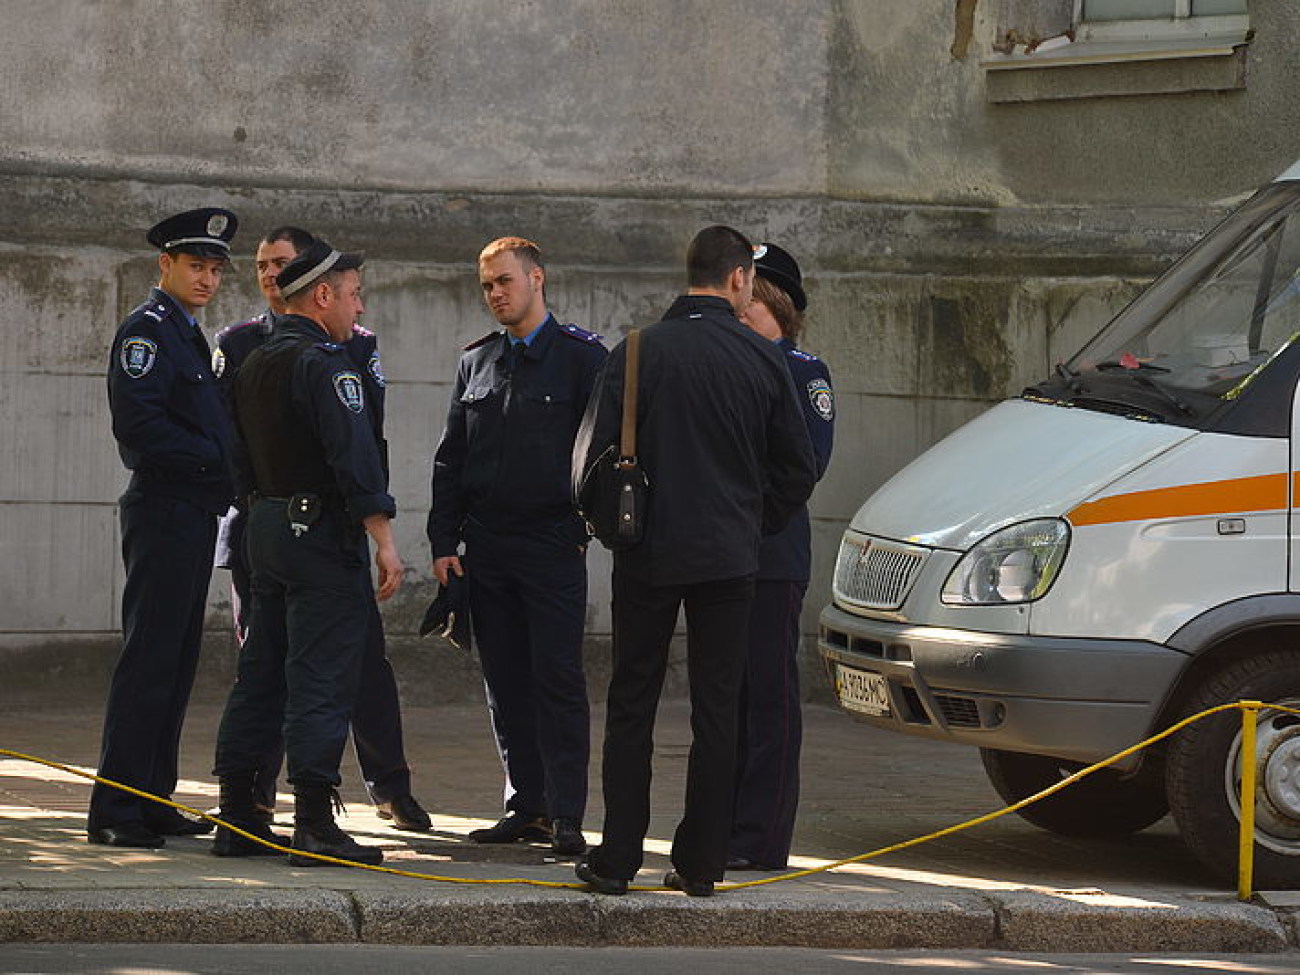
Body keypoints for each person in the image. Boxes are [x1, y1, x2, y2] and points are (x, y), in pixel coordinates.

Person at [572, 225, 817, 897]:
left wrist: (614, 529)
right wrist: (752, 521)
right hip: (731, 558)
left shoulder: (638, 350)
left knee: (632, 701)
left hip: (648, 550)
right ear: (739, 279)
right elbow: (796, 471)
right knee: (718, 706)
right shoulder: (764, 359)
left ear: (691, 273)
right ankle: (703, 860)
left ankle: (618, 855)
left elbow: (586, 459)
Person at [212, 226, 430, 833]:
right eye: (355, 294)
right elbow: (354, 458)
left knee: (261, 672)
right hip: (318, 538)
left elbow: (235, 456)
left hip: (265, 527)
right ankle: (313, 817)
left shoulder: (255, 364)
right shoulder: (326, 365)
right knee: (321, 677)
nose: (360, 307)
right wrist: (384, 541)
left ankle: (239, 812)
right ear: (324, 297)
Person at [427, 237, 607, 857]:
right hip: (488, 547)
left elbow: (605, 458)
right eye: (487, 286)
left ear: (538, 279)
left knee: (556, 681)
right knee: (504, 681)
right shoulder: (476, 361)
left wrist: (585, 530)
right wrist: (442, 541)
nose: (496, 294)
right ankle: (524, 805)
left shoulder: (583, 359)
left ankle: (565, 815)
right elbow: (451, 458)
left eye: (505, 281)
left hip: (552, 544)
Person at [88, 207, 239, 848]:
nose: (206, 278)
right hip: (164, 508)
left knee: (175, 662)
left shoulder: (188, 333)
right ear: (166, 265)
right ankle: (117, 809)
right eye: (195, 266)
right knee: (149, 658)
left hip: (193, 510)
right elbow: (140, 427)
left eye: (213, 269)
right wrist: (219, 459)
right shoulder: (147, 331)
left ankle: (152, 798)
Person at [728, 243, 834, 872]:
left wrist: (739, 506)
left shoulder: (802, 371)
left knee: (768, 700)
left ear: (782, 309)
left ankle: (762, 838)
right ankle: (727, 824)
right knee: (728, 699)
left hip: (771, 554)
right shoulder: (731, 365)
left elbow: (807, 465)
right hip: (726, 554)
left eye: (755, 303)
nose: (743, 312)